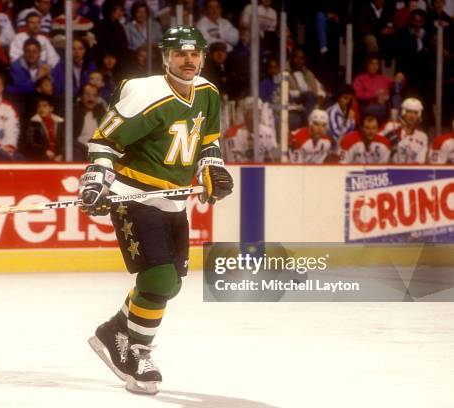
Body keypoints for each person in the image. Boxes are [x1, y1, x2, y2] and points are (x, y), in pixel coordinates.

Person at [82, 26, 233, 395]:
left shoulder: (208, 94)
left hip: (174, 202)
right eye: (180, 54)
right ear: (165, 57)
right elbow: (103, 141)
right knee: (160, 280)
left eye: (195, 53)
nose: (189, 60)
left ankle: (114, 329)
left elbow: (207, 144)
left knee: (169, 284)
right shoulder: (145, 93)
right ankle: (138, 354)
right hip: (133, 198)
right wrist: (95, 183)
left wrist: (212, 170)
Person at [224, 97, 278, 162]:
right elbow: (231, 163)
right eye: (253, 112)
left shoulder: (267, 132)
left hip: (261, 170)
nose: (257, 116)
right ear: (245, 114)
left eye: (259, 112)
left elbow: (270, 159)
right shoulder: (232, 133)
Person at [381, 97, 428, 163]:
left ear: (419, 115)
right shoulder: (390, 127)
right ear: (403, 112)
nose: (412, 116)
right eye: (409, 112)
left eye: (415, 113)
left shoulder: (423, 136)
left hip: (412, 171)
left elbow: (420, 162)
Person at [22, 94, 64, 161]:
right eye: (39, 107)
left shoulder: (59, 122)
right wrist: (45, 151)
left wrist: (61, 154)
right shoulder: (33, 122)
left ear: (51, 108)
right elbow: (30, 142)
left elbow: (64, 141)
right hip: (41, 155)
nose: (41, 109)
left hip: (58, 156)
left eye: (44, 106)